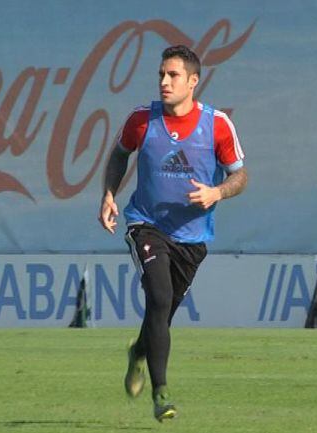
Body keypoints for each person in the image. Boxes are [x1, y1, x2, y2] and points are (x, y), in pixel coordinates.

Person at [98, 45, 247, 422]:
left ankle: (138, 353)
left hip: (193, 238)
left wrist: (218, 192)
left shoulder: (216, 124)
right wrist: (109, 194)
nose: (164, 82)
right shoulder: (141, 119)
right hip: (145, 223)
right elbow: (119, 155)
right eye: (161, 75)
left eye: (173, 75)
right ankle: (161, 393)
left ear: (193, 81)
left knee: (161, 315)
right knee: (159, 297)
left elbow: (240, 176)